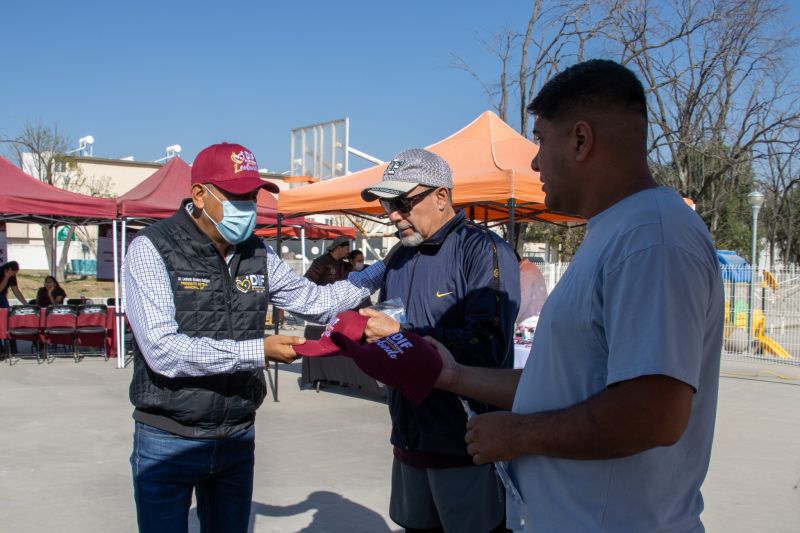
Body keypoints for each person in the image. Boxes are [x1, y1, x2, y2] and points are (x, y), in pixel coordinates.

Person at [426, 60, 724, 531]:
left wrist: (518, 435)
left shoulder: (651, 239)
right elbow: (559, 388)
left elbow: (653, 415)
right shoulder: (617, 233)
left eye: (541, 139)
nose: (536, 161)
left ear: (581, 140)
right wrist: (453, 374)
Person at [123, 142, 384, 533]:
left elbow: (313, 301)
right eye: (237, 197)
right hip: (168, 437)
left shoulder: (256, 252)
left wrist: (383, 268)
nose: (247, 206)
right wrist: (257, 350)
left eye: (252, 196)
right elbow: (164, 351)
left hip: (236, 433)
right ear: (200, 195)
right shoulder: (152, 249)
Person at [358, 148, 520, 533]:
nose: (393, 215)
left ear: (441, 196)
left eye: (402, 202)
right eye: (386, 204)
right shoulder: (398, 256)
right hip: (409, 440)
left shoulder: (483, 249)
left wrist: (401, 335)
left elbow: (489, 345)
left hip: (465, 445)